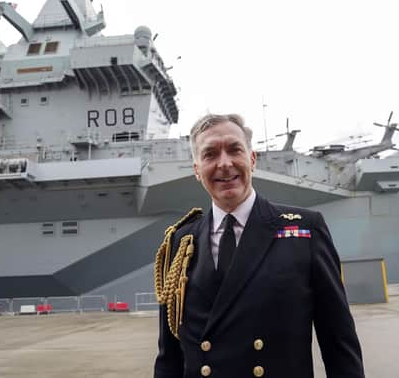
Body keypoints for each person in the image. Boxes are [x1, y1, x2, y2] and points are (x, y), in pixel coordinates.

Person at [154, 113, 364, 378]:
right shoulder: (180, 243)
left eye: (234, 150)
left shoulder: (305, 230)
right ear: (197, 169)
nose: (224, 163)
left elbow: (339, 342)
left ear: (252, 160)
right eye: (209, 154)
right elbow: (169, 357)